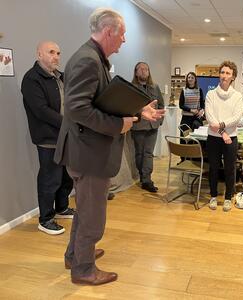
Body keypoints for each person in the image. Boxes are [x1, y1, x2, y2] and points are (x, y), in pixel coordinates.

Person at [54, 8, 164, 285]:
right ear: (108, 31)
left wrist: (139, 113)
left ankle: (74, 255)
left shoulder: (94, 58)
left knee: (84, 210)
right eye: (123, 34)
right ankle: (83, 269)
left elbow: (104, 102)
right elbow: (78, 109)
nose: (124, 40)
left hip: (86, 151)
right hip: (88, 154)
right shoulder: (88, 60)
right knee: (92, 217)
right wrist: (119, 126)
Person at [21, 41, 74, 235]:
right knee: (49, 178)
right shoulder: (32, 78)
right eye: (51, 52)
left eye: (58, 53)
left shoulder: (61, 77)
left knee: (66, 177)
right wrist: (69, 124)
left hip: (67, 136)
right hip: (48, 137)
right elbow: (41, 111)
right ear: (39, 54)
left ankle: (62, 208)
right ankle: (45, 219)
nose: (56, 57)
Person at [205, 61, 243, 212]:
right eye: (222, 72)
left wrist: (221, 127)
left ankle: (228, 197)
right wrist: (223, 132)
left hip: (231, 138)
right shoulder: (211, 94)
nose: (224, 75)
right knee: (213, 168)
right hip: (214, 138)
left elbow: (236, 118)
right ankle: (213, 196)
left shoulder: (237, 96)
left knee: (229, 169)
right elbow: (210, 119)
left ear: (233, 77)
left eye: (228, 73)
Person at [131, 62, 164, 193]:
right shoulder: (131, 87)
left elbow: (161, 104)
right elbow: (129, 106)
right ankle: (142, 176)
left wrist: (159, 121)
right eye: (141, 69)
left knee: (148, 153)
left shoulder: (155, 87)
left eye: (146, 69)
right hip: (138, 126)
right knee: (139, 153)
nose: (144, 71)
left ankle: (147, 180)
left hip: (153, 126)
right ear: (136, 72)